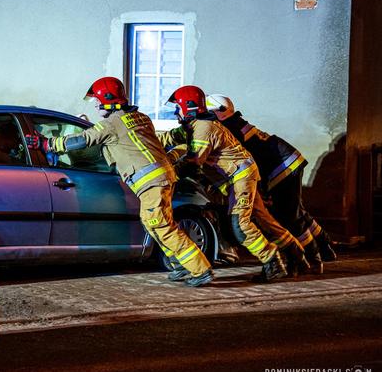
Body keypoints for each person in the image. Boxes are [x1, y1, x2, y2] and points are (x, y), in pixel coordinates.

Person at [27, 77, 214, 287]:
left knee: (159, 224)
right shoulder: (139, 117)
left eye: (97, 100)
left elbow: (82, 140)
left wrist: (47, 144)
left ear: (108, 100)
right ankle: (181, 265)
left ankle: (200, 269)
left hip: (151, 182)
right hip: (161, 177)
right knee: (153, 222)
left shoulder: (111, 124)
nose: (96, 105)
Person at [158, 86, 306, 282]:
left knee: (240, 225)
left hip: (239, 179)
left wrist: (168, 170)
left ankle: (272, 262)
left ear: (189, 108)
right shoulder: (194, 126)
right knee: (264, 220)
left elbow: (193, 163)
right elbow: (168, 138)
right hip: (239, 178)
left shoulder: (204, 128)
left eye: (178, 108)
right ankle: (296, 255)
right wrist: (145, 140)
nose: (176, 112)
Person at [205, 94, 337, 272]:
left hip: (283, 168)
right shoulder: (235, 123)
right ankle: (324, 246)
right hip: (287, 162)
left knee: (289, 216)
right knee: (296, 211)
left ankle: (312, 259)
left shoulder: (230, 129)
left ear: (219, 112)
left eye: (209, 113)